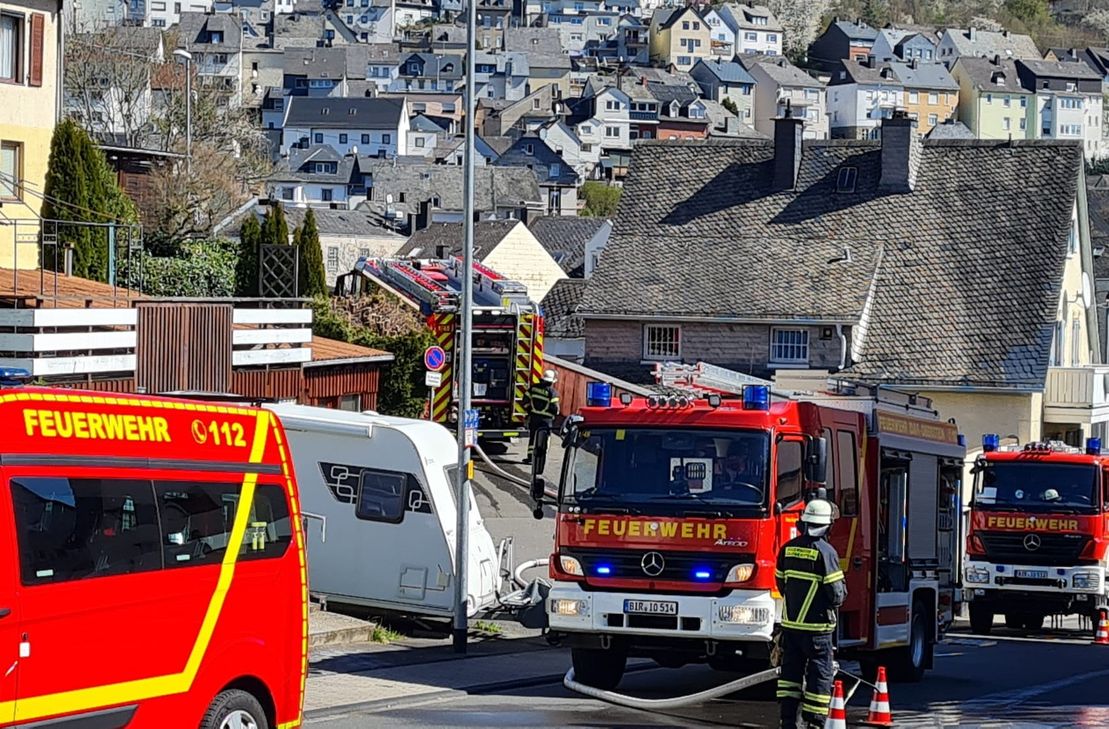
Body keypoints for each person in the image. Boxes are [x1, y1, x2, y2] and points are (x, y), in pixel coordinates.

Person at [775, 499, 847, 729]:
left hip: (791, 628)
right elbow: (836, 594)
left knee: (789, 676)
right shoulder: (826, 552)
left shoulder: (787, 548)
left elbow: (781, 583)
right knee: (819, 676)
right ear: (828, 525)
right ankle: (814, 723)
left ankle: (787, 721)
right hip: (817, 630)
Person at [525, 370, 559, 465]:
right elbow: (555, 408)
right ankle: (540, 459)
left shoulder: (533, 388)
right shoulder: (552, 392)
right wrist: (554, 414)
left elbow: (525, 400)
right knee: (544, 439)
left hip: (534, 417)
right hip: (546, 420)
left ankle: (530, 457)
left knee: (533, 437)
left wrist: (529, 410)